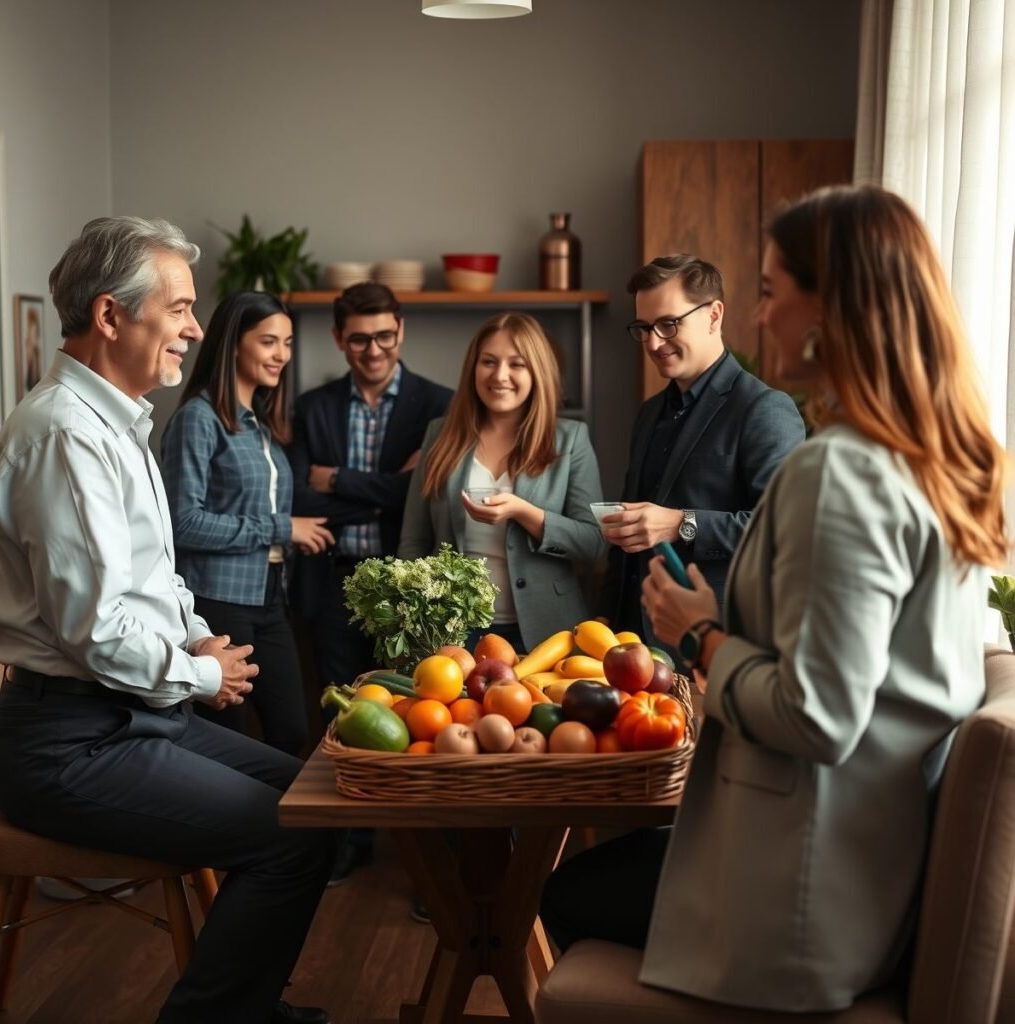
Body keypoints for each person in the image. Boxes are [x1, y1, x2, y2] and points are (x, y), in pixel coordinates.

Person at [541, 186, 1008, 1013]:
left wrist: (702, 635)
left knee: (564, 896)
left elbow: (819, 718)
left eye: (768, 290)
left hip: (804, 897)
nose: (759, 317)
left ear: (830, 304)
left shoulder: (841, 471)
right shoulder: (932, 463)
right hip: (867, 866)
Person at [0, 217, 334, 1024]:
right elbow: (99, 632)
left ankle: (243, 1004)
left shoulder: (120, 421)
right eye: (179, 308)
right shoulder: (67, 435)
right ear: (111, 316)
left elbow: (153, 576)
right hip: (69, 743)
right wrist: (203, 673)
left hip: (126, 718)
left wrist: (189, 637)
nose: (195, 328)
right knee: (290, 835)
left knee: (316, 804)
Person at [287, 281, 451, 890]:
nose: (374, 349)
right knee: (341, 719)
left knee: (419, 718)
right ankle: (350, 842)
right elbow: (300, 496)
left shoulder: (441, 404)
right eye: (359, 339)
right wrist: (384, 489)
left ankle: (425, 857)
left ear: (400, 331)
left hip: (410, 596)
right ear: (339, 339)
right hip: (333, 587)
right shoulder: (313, 406)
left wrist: (341, 482)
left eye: (385, 335)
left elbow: (424, 495)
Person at [597, 254, 805, 653]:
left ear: (714, 315)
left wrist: (681, 524)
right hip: (630, 646)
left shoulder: (765, 409)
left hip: (718, 644)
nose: (654, 342)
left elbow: (782, 532)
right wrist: (605, 618)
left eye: (669, 324)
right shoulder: (648, 414)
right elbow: (628, 535)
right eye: (644, 328)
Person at [160, 291, 334, 756]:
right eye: (269, 341)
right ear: (234, 343)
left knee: (293, 731)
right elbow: (182, 523)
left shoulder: (260, 423)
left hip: (269, 597)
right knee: (230, 741)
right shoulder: (198, 419)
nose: (282, 354)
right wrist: (281, 528)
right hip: (218, 602)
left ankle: (282, 828)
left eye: (288, 342)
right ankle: (245, 828)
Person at [398, 311, 606, 652]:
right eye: (489, 362)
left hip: (547, 633)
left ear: (536, 370)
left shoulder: (570, 440)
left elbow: (594, 544)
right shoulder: (440, 434)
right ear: (473, 369)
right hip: (452, 636)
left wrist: (526, 514)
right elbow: (413, 540)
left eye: (517, 364)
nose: (500, 376)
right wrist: (419, 621)